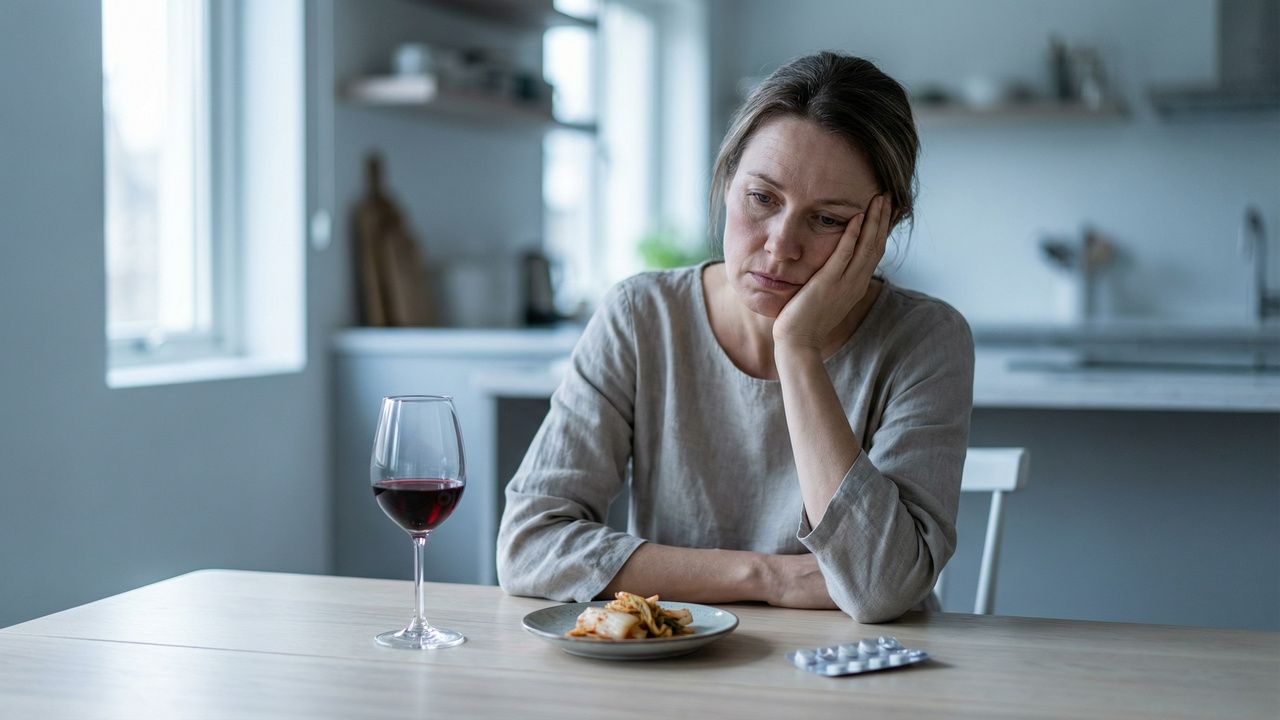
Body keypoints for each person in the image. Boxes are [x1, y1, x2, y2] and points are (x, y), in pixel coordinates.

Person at [497, 51, 974, 623]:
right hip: (679, 669)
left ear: (882, 227)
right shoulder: (641, 315)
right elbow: (527, 547)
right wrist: (766, 576)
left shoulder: (926, 339)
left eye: (827, 219)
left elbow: (879, 588)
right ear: (726, 181)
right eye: (763, 198)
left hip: (865, 674)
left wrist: (796, 349)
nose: (780, 245)